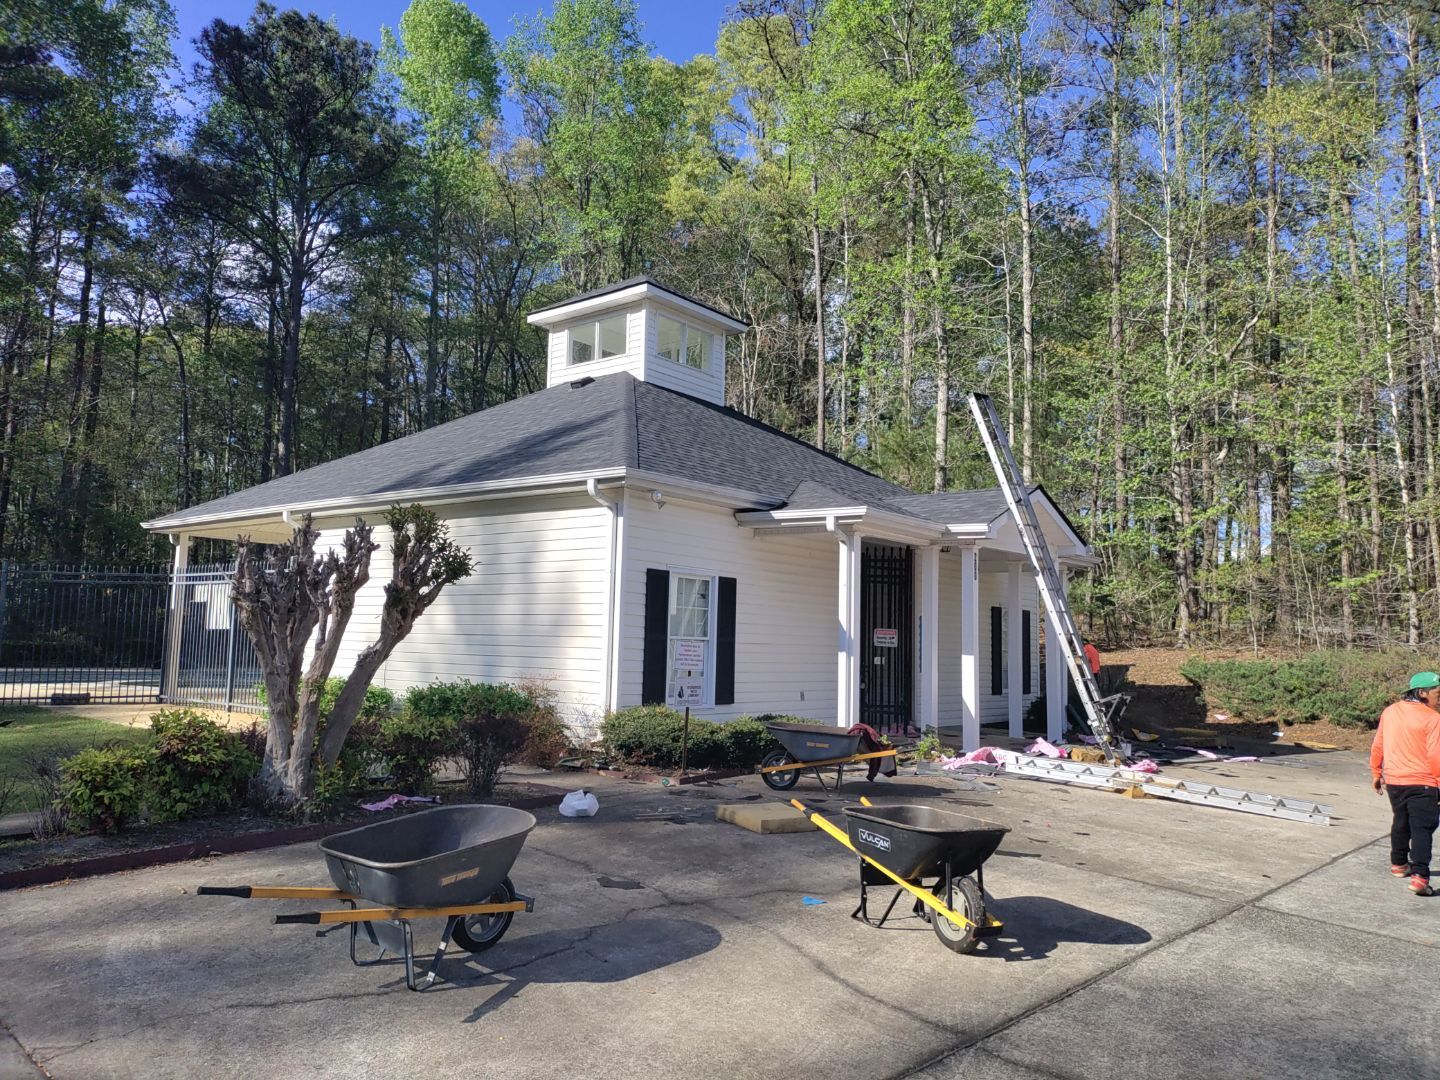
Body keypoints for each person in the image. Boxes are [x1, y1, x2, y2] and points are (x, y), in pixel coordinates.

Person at [1371, 672, 1440, 896]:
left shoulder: (1390, 712)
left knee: (1401, 821)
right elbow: (1435, 755)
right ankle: (1420, 877)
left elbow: (1378, 744)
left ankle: (1399, 864)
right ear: (1422, 693)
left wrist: (1376, 772)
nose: (1438, 698)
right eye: (1437, 693)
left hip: (1395, 781)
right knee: (1422, 828)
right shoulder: (1432, 718)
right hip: (1423, 782)